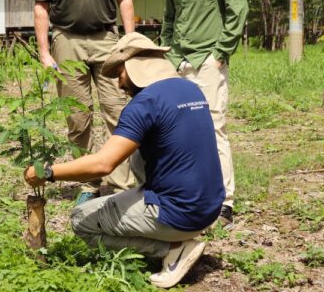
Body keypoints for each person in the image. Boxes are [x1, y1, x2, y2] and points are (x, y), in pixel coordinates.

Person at [24, 32, 224, 289]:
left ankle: (172, 249)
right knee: (140, 152)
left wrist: (48, 172)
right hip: (210, 208)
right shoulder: (191, 89)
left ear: (133, 66)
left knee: (80, 220)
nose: (119, 84)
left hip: (179, 215)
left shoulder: (145, 103)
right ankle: (169, 231)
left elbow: (103, 164)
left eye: (119, 73)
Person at [31, 0, 136, 204]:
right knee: (77, 118)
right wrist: (44, 52)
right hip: (67, 40)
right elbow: (41, 6)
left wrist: (130, 43)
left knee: (118, 112)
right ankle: (88, 184)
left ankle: (121, 185)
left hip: (107, 39)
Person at [159, 0, 248, 226]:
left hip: (208, 60)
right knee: (180, 131)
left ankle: (225, 202)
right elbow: (169, 17)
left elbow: (238, 9)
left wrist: (220, 53)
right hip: (179, 61)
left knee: (213, 128)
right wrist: (168, 53)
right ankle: (190, 193)